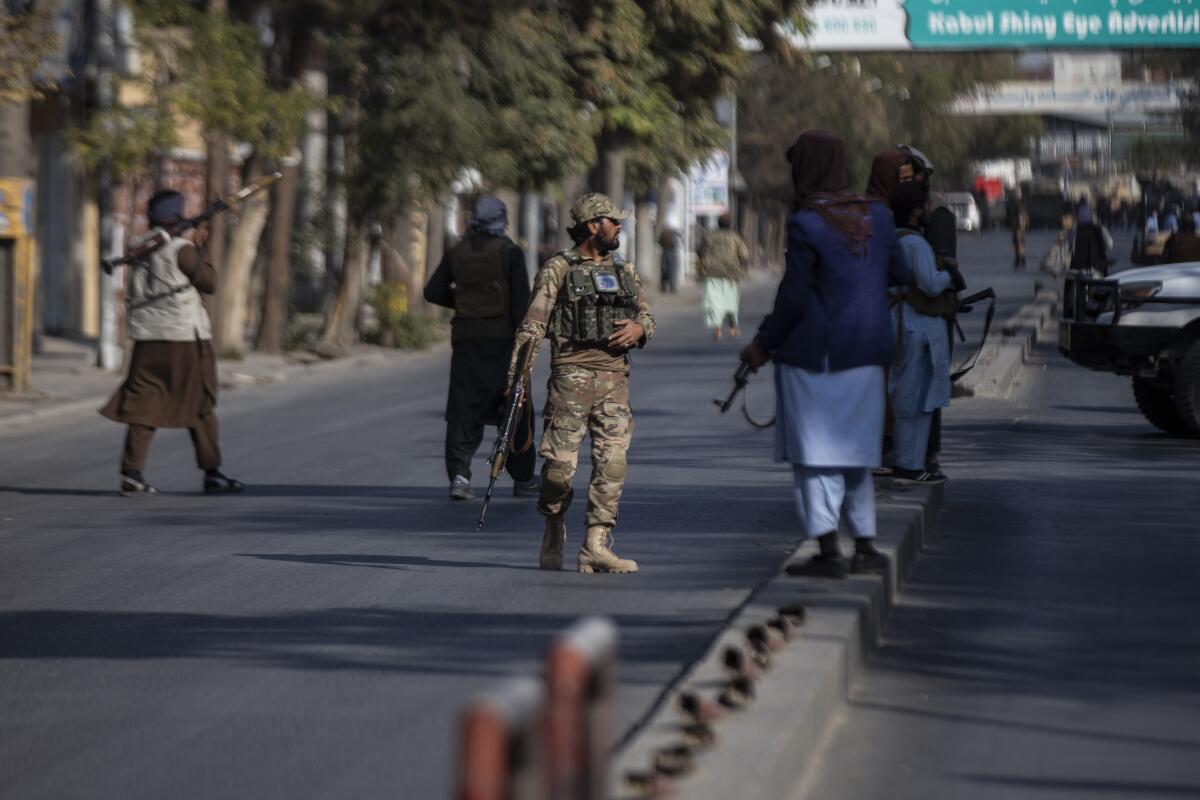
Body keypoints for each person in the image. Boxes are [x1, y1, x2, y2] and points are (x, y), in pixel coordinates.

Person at [740, 130, 908, 579]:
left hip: (817, 358)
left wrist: (762, 345)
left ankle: (830, 550)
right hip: (868, 355)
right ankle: (867, 546)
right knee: (857, 453)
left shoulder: (807, 223)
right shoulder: (879, 215)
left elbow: (793, 298)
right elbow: (899, 273)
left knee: (813, 455)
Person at [509, 193, 655, 573]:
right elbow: (532, 326)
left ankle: (596, 544)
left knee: (612, 463)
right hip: (570, 380)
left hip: (615, 380)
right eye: (614, 221)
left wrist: (640, 329)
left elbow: (645, 313)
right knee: (558, 470)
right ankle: (554, 525)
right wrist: (517, 382)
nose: (620, 226)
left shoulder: (624, 269)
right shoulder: (557, 268)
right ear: (594, 225)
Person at [100, 190, 243, 496]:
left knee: (144, 407)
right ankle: (212, 472)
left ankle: (132, 472)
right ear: (177, 216)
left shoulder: (138, 248)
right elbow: (210, 283)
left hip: (147, 340)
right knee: (201, 404)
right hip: (184, 339)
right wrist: (203, 249)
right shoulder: (181, 249)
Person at [424, 196, 538, 501]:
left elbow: (433, 291)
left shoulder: (457, 252)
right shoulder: (510, 253)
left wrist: (463, 303)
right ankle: (524, 480)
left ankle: (460, 476)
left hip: (466, 342)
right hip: (504, 345)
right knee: (515, 407)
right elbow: (520, 305)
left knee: (463, 409)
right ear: (502, 219)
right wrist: (525, 346)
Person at [888, 185, 965, 485]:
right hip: (916, 327)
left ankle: (911, 462)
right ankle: (909, 465)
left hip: (903, 322)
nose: (930, 210)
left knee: (912, 395)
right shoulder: (916, 245)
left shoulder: (894, 239)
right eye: (926, 205)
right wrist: (950, 272)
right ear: (916, 210)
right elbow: (931, 285)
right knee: (914, 398)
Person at [696, 213, 750, 340]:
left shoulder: (709, 236)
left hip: (711, 272)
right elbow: (744, 255)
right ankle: (732, 329)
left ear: (718, 223)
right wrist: (744, 270)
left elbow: (700, 252)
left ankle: (718, 330)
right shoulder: (735, 237)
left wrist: (699, 270)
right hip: (731, 274)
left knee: (715, 301)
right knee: (731, 301)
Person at [1069, 204, 1113, 275]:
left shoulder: (1074, 230)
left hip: (1078, 269)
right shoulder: (1100, 229)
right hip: (1097, 269)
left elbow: (1069, 247)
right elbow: (1110, 245)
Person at [1008, 191, 1029, 270]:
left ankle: (1019, 260)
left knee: (1018, 244)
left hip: (1018, 227)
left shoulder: (1016, 204)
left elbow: (1022, 215)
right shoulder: (1020, 203)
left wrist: (1020, 227)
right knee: (1018, 244)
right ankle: (1021, 260)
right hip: (1019, 227)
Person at [658, 227, 681, 293]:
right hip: (671, 252)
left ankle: (664, 285)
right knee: (671, 269)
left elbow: (659, 242)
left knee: (665, 269)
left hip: (666, 252)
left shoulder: (664, 232)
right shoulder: (674, 232)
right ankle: (671, 285)